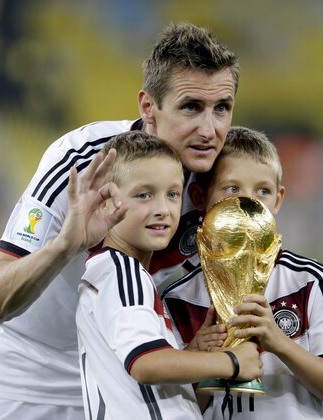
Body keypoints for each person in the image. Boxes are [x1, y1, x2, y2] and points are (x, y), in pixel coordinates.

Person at [0, 22, 239, 419]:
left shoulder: (228, 181)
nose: (209, 130)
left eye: (222, 108)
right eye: (191, 107)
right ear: (148, 108)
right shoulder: (83, 160)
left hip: (135, 376)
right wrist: (65, 246)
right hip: (26, 379)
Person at [162, 126, 323, 419]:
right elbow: (180, 409)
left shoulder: (314, 280)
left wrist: (278, 342)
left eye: (262, 191)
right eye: (232, 189)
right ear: (200, 197)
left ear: (278, 199)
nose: (248, 202)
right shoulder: (177, 299)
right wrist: (202, 358)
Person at [76, 132, 263, 419]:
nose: (163, 209)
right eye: (144, 195)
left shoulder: (120, 272)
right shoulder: (122, 273)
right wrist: (231, 362)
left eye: (172, 194)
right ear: (107, 202)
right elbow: (146, 364)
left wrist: (192, 352)